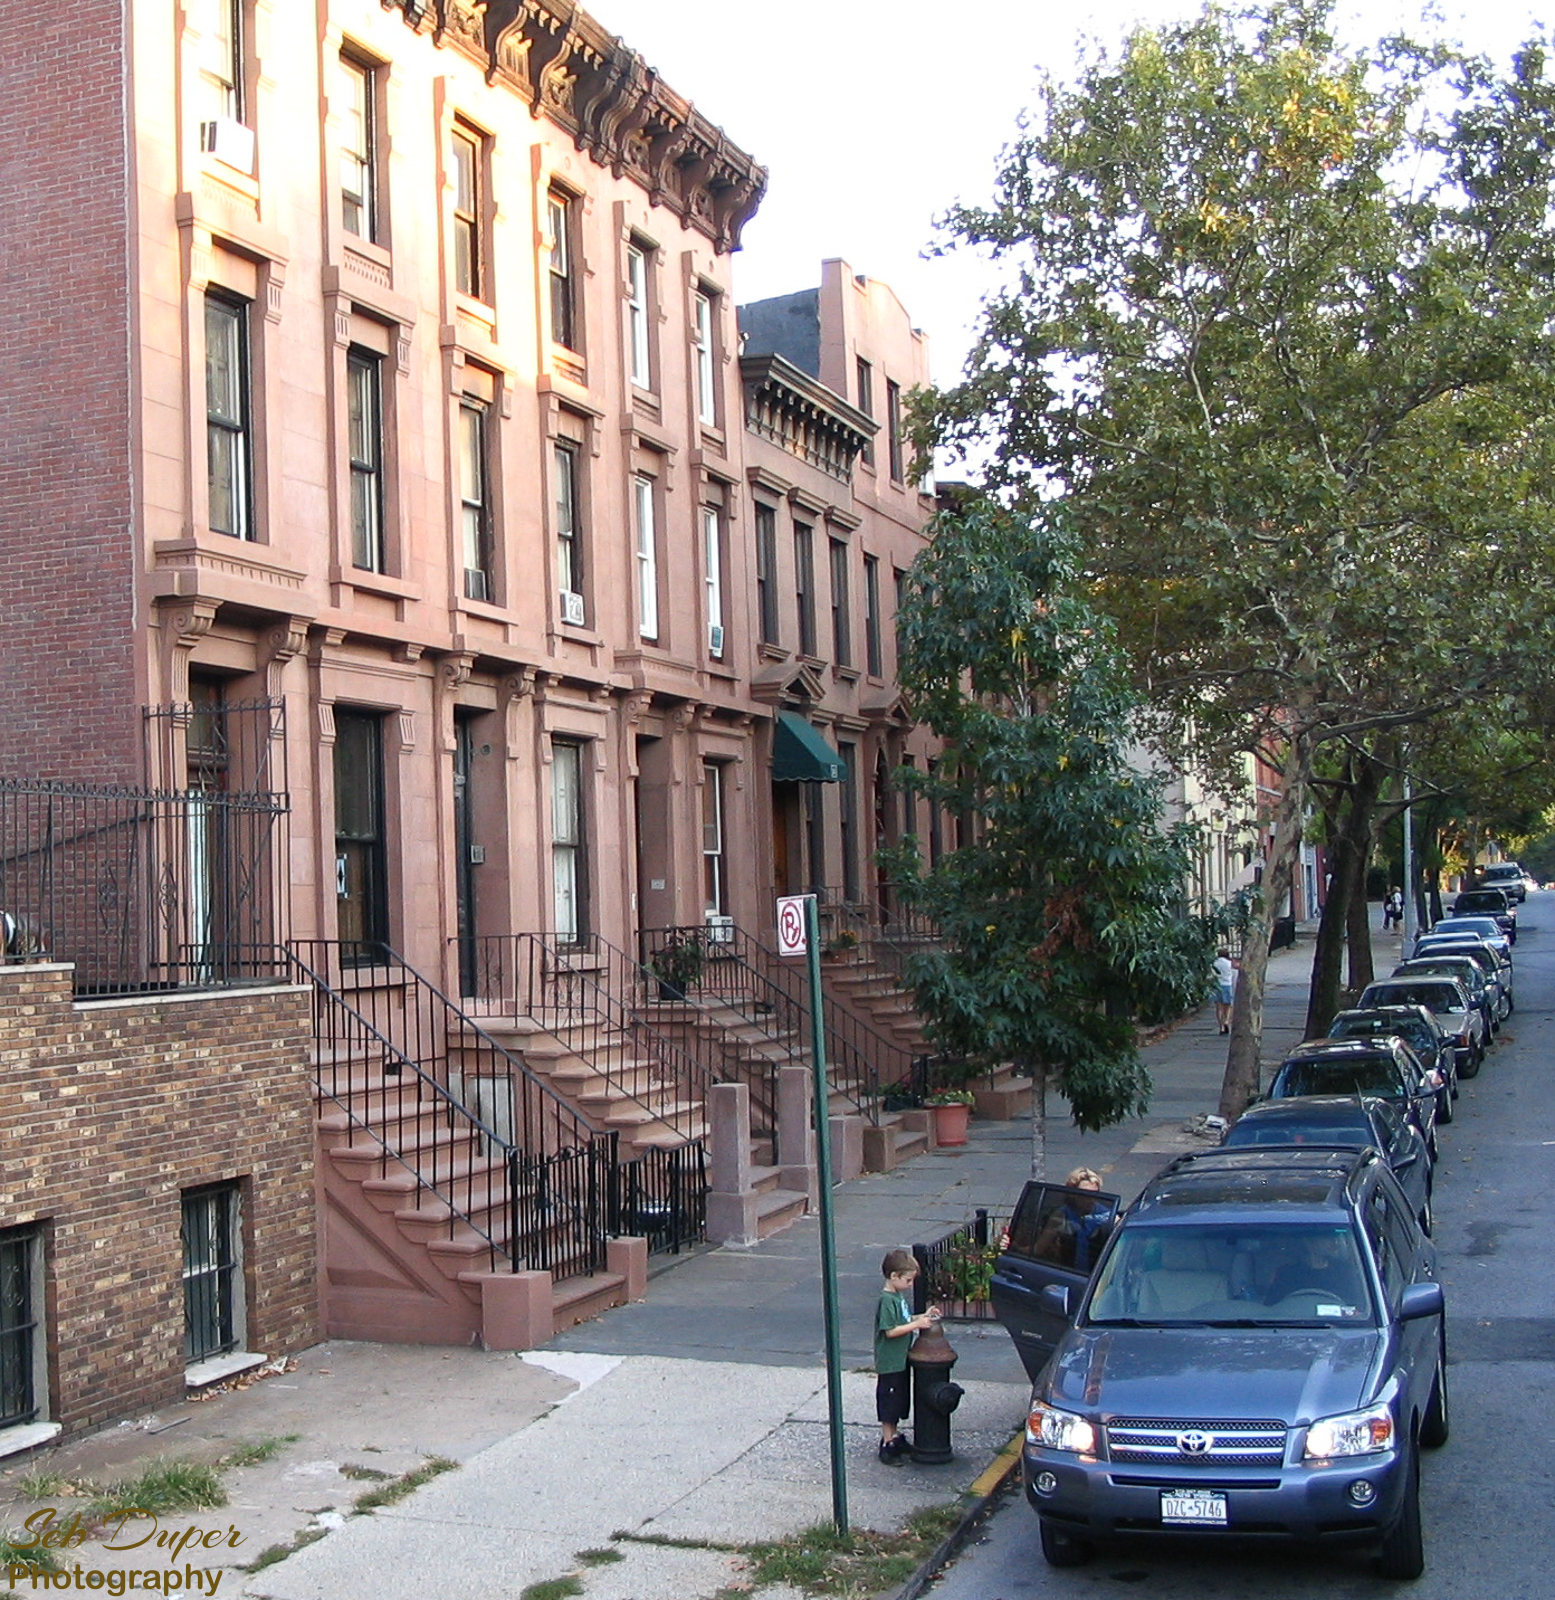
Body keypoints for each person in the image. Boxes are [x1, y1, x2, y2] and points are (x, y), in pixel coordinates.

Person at [875, 1248, 940, 1464]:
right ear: (894, 1276)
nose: (910, 1285)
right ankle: (887, 1442)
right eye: (908, 1280)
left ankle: (894, 1437)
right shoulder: (887, 1300)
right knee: (889, 1402)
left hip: (901, 1359)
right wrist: (916, 1325)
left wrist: (923, 1317)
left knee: (899, 1400)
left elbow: (904, 1320)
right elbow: (891, 1330)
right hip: (890, 1362)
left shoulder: (898, 1298)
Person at [1212, 948, 1236, 1034]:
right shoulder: (1229, 963)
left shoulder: (1214, 963)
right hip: (1227, 985)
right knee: (1228, 1006)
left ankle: (1221, 1026)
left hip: (1217, 985)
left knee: (1219, 1007)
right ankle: (1226, 1021)